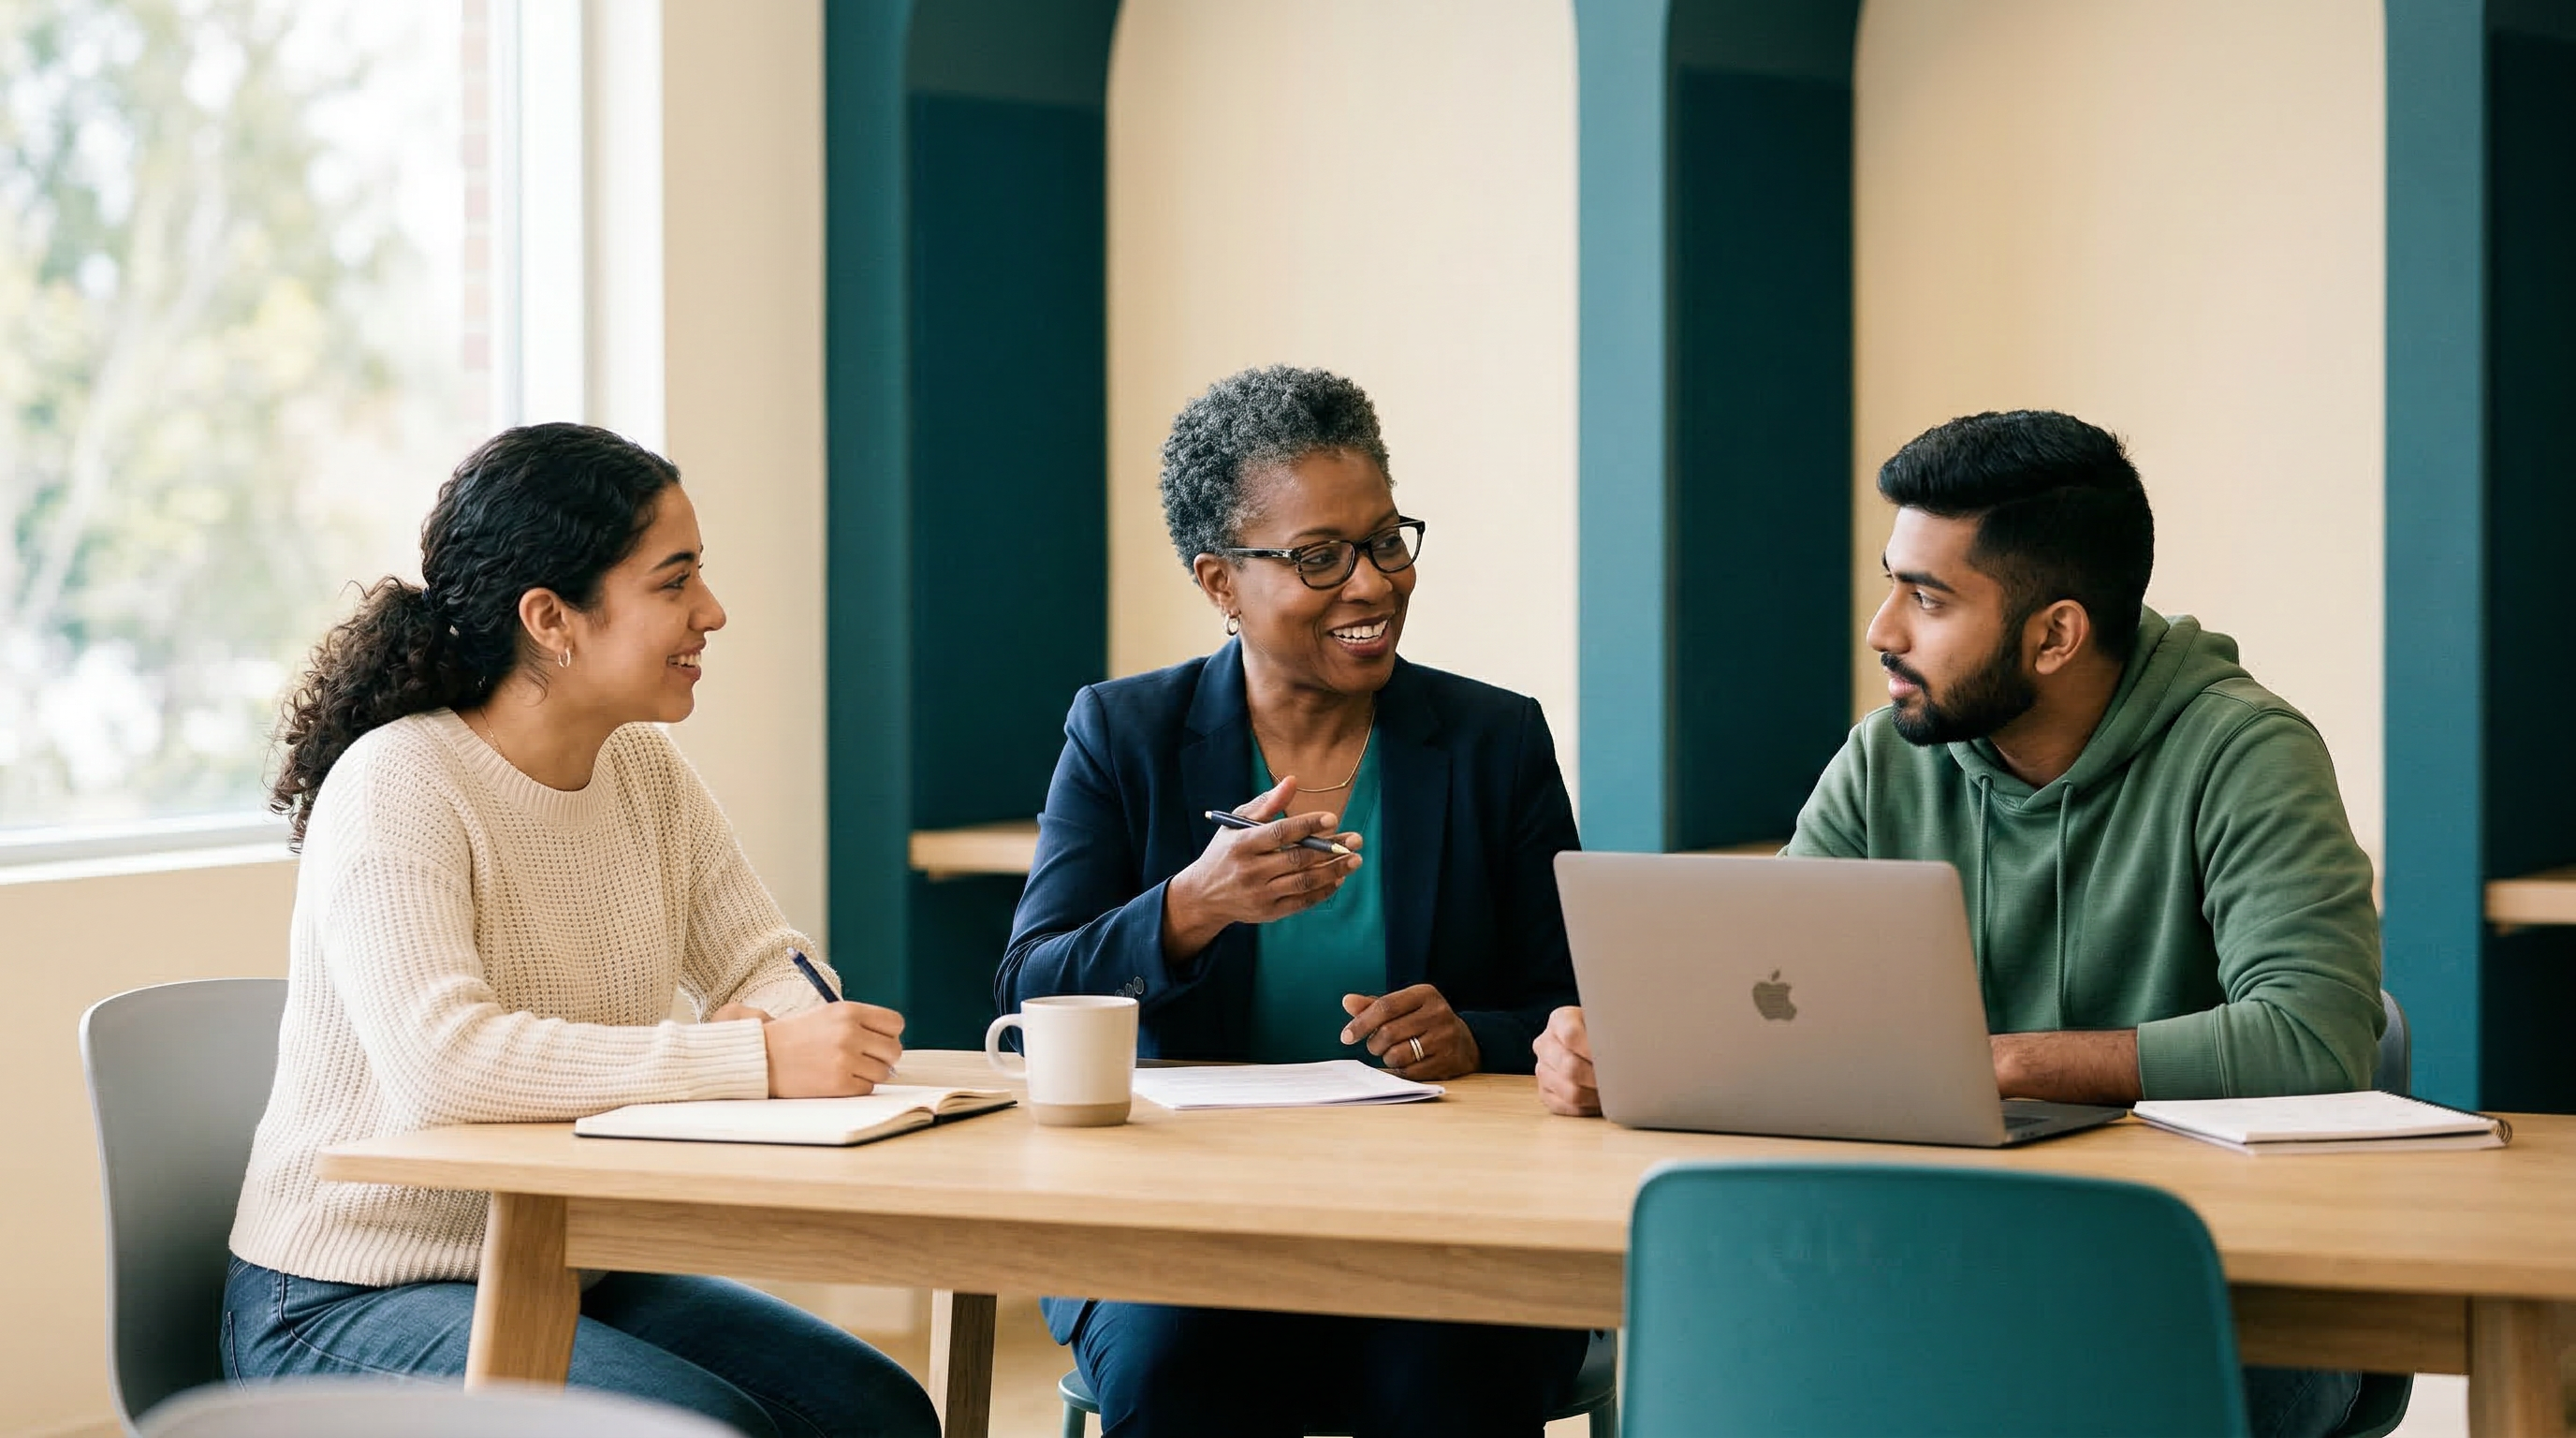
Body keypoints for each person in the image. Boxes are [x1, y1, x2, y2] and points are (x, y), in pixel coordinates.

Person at [1534, 409, 2383, 1438]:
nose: (1881, 630)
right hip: (1927, 1260)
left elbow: (2313, 1038)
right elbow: (1782, 1012)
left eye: (1926, 598)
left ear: (2055, 634)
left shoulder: (2244, 753)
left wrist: (2005, 1063)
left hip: (2214, 1292)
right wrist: (1630, 1050)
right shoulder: (1886, 757)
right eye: (1891, 581)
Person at [226, 424, 939, 1438]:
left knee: (876, 1411)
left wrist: (792, 1025)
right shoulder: (398, 783)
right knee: (693, 1425)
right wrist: (745, 1057)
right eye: (673, 581)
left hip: (557, 1262)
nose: (712, 612)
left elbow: (766, 963)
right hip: (338, 1298)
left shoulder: (644, 772)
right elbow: (447, 1066)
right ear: (551, 619)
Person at [999, 366, 1588, 1437]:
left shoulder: (1492, 741)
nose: (1372, 584)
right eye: (1319, 558)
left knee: (1444, 1374)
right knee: (1182, 1369)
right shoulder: (1123, 732)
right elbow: (1029, 989)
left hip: (1445, 1216)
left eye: (1385, 542)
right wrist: (1190, 905)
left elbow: (1571, 1007)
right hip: (1177, 1224)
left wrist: (1471, 1035)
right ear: (1220, 583)